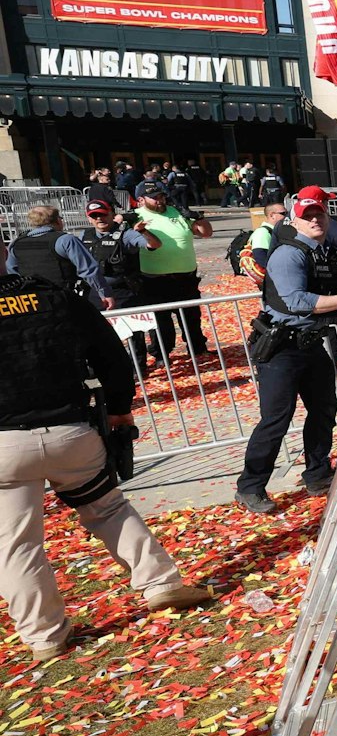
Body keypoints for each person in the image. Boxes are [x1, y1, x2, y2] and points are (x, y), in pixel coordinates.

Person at [0, 269, 214, 659]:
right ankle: (160, 583)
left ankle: (45, 636)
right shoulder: (55, 297)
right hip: (70, 433)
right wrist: (119, 408)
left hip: (4, 448)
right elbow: (110, 354)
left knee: (15, 544)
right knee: (108, 509)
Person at [235, 187, 337, 513]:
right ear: (295, 220)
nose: (315, 220)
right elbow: (297, 301)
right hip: (281, 348)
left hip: (313, 344)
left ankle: (317, 473)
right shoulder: (288, 254)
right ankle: (250, 487)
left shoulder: (329, 253)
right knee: (276, 419)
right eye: (308, 215)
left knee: (324, 409)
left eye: (319, 214)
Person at [130, 179, 214, 361]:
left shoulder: (176, 211)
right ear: (141, 200)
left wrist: (198, 218)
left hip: (186, 276)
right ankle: (161, 354)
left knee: (192, 317)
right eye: (154, 198)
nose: (160, 201)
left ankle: (198, 349)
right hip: (155, 279)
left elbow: (206, 233)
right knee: (161, 322)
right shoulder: (134, 216)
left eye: (161, 196)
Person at [81, 198, 159, 361]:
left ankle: (138, 365)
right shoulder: (84, 235)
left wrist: (143, 231)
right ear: (89, 218)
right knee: (98, 332)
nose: (99, 219)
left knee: (133, 333)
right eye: (94, 216)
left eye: (103, 214)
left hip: (123, 291)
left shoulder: (125, 234)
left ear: (111, 214)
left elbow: (154, 245)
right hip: (95, 293)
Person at [6, 205, 111, 308]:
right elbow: (88, 269)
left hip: (33, 302)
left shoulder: (16, 243)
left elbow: (12, 273)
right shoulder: (65, 240)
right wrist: (104, 294)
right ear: (57, 220)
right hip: (63, 300)